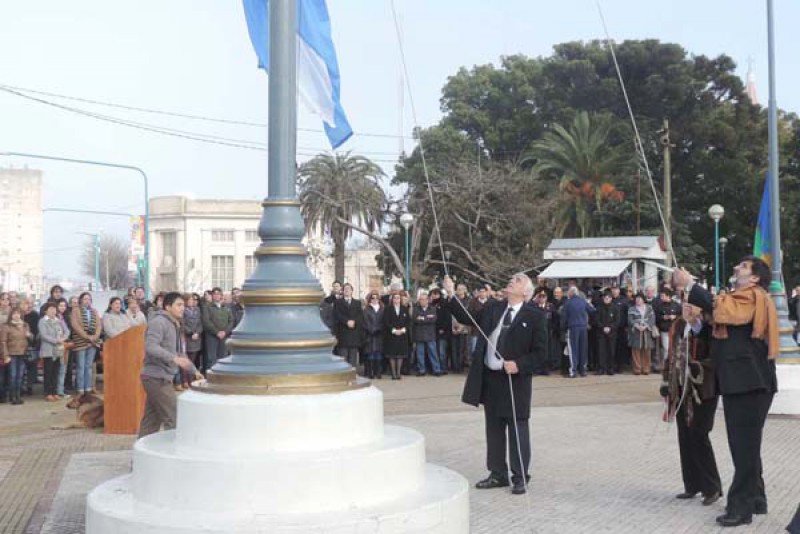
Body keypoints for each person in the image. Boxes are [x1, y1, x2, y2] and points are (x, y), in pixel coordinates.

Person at [674, 257, 778, 527]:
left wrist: (691, 284)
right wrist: (697, 319)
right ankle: (756, 499)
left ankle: (740, 509)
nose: (736, 268)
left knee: (743, 448)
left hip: (749, 384)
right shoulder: (739, 299)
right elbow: (721, 319)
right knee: (748, 447)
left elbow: (722, 309)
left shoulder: (752, 296)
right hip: (744, 383)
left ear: (754, 278)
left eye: (743, 267)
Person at [444, 273, 545, 496]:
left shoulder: (535, 316)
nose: (512, 280)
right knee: (494, 428)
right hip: (491, 379)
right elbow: (468, 318)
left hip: (515, 381)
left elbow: (542, 353)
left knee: (517, 428)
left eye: (518, 280)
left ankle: (520, 476)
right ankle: (498, 473)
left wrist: (519, 364)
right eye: (512, 278)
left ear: (525, 292)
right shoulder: (493, 308)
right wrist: (451, 293)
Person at [660, 303, 722, 507]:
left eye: (691, 306)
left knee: (699, 434)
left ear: (700, 309)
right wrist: (666, 382)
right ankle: (692, 484)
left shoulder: (710, 329)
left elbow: (716, 360)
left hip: (703, 391)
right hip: (680, 389)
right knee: (685, 435)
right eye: (684, 305)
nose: (686, 310)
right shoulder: (678, 326)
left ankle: (712, 487)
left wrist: (694, 368)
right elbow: (671, 356)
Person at [138, 292, 197, 438]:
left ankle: (140, 451)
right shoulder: (159, 322)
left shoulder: (175, 324)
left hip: (161, 378)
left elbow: (179, 353)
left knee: (151, 421)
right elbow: (151, 346)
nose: (182, 308)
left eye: (183, 305)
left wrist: (194, 371)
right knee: (174, 418)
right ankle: (175, 450)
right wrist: (173, 359)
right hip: (156, 378)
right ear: (168, 307)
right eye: (179, 305)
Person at [69, 292, 102, 400]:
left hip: (93, 342)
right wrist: (87, 337)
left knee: (88, 367)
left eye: (89, 299)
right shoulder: (75, 310)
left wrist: (94, 337)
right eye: (85, 299)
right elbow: (75, 325)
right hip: (81, 341)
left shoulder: (94, 311)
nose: (87, 301)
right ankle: (80, 390)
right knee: (81, 366)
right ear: (81, 300)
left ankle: (88, 389)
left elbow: (99, 326)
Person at [1, 308, 33, 405]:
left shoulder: (25, 325)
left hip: (22, 354)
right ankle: (12, 396)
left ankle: (18, 395)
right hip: (12, 354)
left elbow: (31, 339)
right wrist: (5, 355)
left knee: (20, 376)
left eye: (18, 313)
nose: (16, 315)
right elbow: (3, 342)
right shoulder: (6, 326)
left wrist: (29, 335)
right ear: (11, 315)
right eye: (14, 313)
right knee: (13, 376)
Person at [560, 287, 595, 378]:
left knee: (573, 350)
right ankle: (582, 370)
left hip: (573, 328)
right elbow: (592, 310)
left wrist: (563, 328)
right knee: (583, 349)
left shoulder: (568, 303)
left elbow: (564, 318)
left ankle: (573, 371)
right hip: (583, 327)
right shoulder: (583, 301)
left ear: (570, 293)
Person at [38, 302, 67, 402]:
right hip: (48, 350)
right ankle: (48, 393)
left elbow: (67, 331)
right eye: (50, 309)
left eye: (54, 309)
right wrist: (56, 340)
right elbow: (44, 335)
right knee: (48, 372)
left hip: (58, 350)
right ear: (46, 311)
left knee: (56, 372)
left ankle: (55, 392)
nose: (53, 311)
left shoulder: (58, 320)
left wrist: (63, 338)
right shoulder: (43, 321)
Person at [201, 287, 233, 373]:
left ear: (221, 296)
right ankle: (211, 377)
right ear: (212, 296)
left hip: (224, 336)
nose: (216, 296)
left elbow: (231, 321)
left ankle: (222, 376)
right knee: (211, 359)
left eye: (218, 294)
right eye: (214, 294)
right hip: (212, 336)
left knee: (223, 357)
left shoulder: (226, 307)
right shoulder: (207, 307)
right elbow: (206, 321)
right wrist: (216, 332)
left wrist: (225, 332)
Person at [333, 283, 363, 369]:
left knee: (353, 358)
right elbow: (336, 315)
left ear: (352, 291)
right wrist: (346, 321)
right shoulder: (338, 302)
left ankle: (353, 374)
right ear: (342, 291)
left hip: (354, 333)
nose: (347, 290)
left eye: (349, 288)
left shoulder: (357, 303)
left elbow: (360, 316)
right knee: (343, 357)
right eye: (345, 289)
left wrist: (354, 322)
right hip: (343, 334)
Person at [412, 292, 441, 377]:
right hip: (419, 334)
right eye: (421, 299)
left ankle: (436, 370)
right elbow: (415, 320)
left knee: (433, 353)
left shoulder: (433, 309)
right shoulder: (416, 309)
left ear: (428, 300)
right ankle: (421, 370)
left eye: (424, 299)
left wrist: (422, 318)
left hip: (430, 334)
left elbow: (433, 319)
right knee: (420, 354)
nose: (422, 301)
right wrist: (427, 318)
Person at [383, 291, 410, 380]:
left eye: (398, 298)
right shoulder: (388, 309)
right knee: (392, 355)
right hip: (391, 335)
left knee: (400, 354)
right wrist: (394, 330)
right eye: (395, 298)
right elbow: (386, 321)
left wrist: (403, 330)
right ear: (392, 299)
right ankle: (393, 373)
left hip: (402, 335)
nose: (396, 300)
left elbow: (408, 321)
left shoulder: (404, 309)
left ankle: (398, 373)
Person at [654, 287, 681, 373]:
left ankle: (675, 365)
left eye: (663, 296)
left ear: (668, 296)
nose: (661, 297)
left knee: (676, 348)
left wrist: (675, 316)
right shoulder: (659, 306)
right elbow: (656, 317)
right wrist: (663, 317)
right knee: (666, 348)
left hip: (675, 330)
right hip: (664, 330)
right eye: (661, 296)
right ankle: (666, 365)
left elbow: (681, 316)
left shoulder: (676, 305)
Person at [628, 293, 656, 375]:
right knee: (636, 350)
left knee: (647, 350)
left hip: (647, 331)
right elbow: (630, 319)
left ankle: (646, 368)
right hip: (636, 331)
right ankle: (637, 368)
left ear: (643, 300)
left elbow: (652, 318)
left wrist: (646, 326)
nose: (638, 300)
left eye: (640, 299)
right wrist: (637, 325)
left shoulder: (649, 308)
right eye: (637, 299)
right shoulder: (631, 309)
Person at [594, 290, 620, 375]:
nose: (606, 299)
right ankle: (601, 368)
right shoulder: (599, 308)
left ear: (611, 298)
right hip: (601, 333)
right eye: (605, 298)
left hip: (612, 333)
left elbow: (617, 320)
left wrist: (610, 327)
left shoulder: (615, 308)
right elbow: (597, 320)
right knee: (601, 351)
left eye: (608, 298)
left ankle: (610, 368)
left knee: (611, 351)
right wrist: (603, 327)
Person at [182, 293, 204, 385]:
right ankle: (184, 380)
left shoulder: (197, 309)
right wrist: (191, 333)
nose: (191, 301)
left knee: (193, 359)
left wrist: (197, 332)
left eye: (192, 299)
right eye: (189, 300)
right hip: (188, 337)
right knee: (186, 359)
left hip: (196, 337)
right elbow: (182, 323)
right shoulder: (183, 310)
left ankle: (190, 379)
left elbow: (200, 323)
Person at [362, 291, 384, 379]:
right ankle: (370, 372)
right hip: (369, 335)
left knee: (378, 354)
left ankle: (377, 372)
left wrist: (379, 329)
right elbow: (365, 321)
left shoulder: (382, 309)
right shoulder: (366, 310)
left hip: (379, 334)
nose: (375, 300)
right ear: (370, 299)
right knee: (370, 353)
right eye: (373, 298)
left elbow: (383, 321)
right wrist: (371, 330)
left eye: (376, 298)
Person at [20, 299, 40, 395]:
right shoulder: (18, 315)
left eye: (30, 304)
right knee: (21, 368)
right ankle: (20, 388)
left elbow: (37, 331)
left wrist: (33, 339)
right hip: (19, 345)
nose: (28, 306)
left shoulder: (35, 315)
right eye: (26, 304)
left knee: (31, 367)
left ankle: (29, 386)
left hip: (32, 344)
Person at [451, 283, 472, 373]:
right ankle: (455, 367)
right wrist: (453, 327)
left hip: (464, 328)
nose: (458, 291)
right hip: (453, 326)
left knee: (462, 348)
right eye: (457, 289)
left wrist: (461, 327)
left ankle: (461, 367)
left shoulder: (469, 301)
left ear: (465, 290)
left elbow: (468, 315)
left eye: (460, 289)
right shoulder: (453, 300)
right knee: (454, 348)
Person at [430, 288, 451, 374]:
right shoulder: (431, 304)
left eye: (435, 294)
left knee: (442, 351)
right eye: (432, 294)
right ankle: (436, 368)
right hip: (433, 331)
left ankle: (443, 368)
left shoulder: (444, 303)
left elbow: (447, 317)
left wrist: (443, 328)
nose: (433, 296)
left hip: (443, 331)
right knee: (435, 351)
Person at [54, 299, 71, 398]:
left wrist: (63, 339)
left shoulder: (63, 317)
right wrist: (60, 339)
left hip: (64, 345)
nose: (62, 307)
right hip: (55, 346)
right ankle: (56, 391)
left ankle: (60, 390)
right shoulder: (53, 318)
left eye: (64, 306)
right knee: (57, 369)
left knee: (63, 369)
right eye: (60, 305)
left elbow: (67, 331)